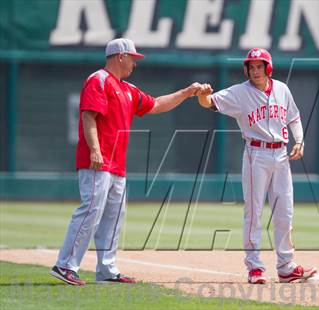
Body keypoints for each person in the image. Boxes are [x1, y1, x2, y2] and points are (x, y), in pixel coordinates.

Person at [50, 38, 204, 285]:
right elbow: (88, 116)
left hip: (117, 165)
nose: (135, 62)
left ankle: (107, 270)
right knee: (91, 211)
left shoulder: (128, 89)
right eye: (132, 58)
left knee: (113, 216)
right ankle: (65, 265)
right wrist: (95, 150)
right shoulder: (98, 80)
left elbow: (157, 104)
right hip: (97, 162)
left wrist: (186, 93)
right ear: (120, 56)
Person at [197, 48, 317, 284]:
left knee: (285, 212)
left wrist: (300, 141)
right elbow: (209, 103)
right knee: (254, 213)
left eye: (259, 66)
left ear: (268, 67)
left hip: (281, 155)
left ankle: (286, 266)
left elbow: (294, 117)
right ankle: (255, 268)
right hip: (256, 154)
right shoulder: (240, 93)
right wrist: (202, 94)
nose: (254, 70)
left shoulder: (282, 89)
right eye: (251, 66)